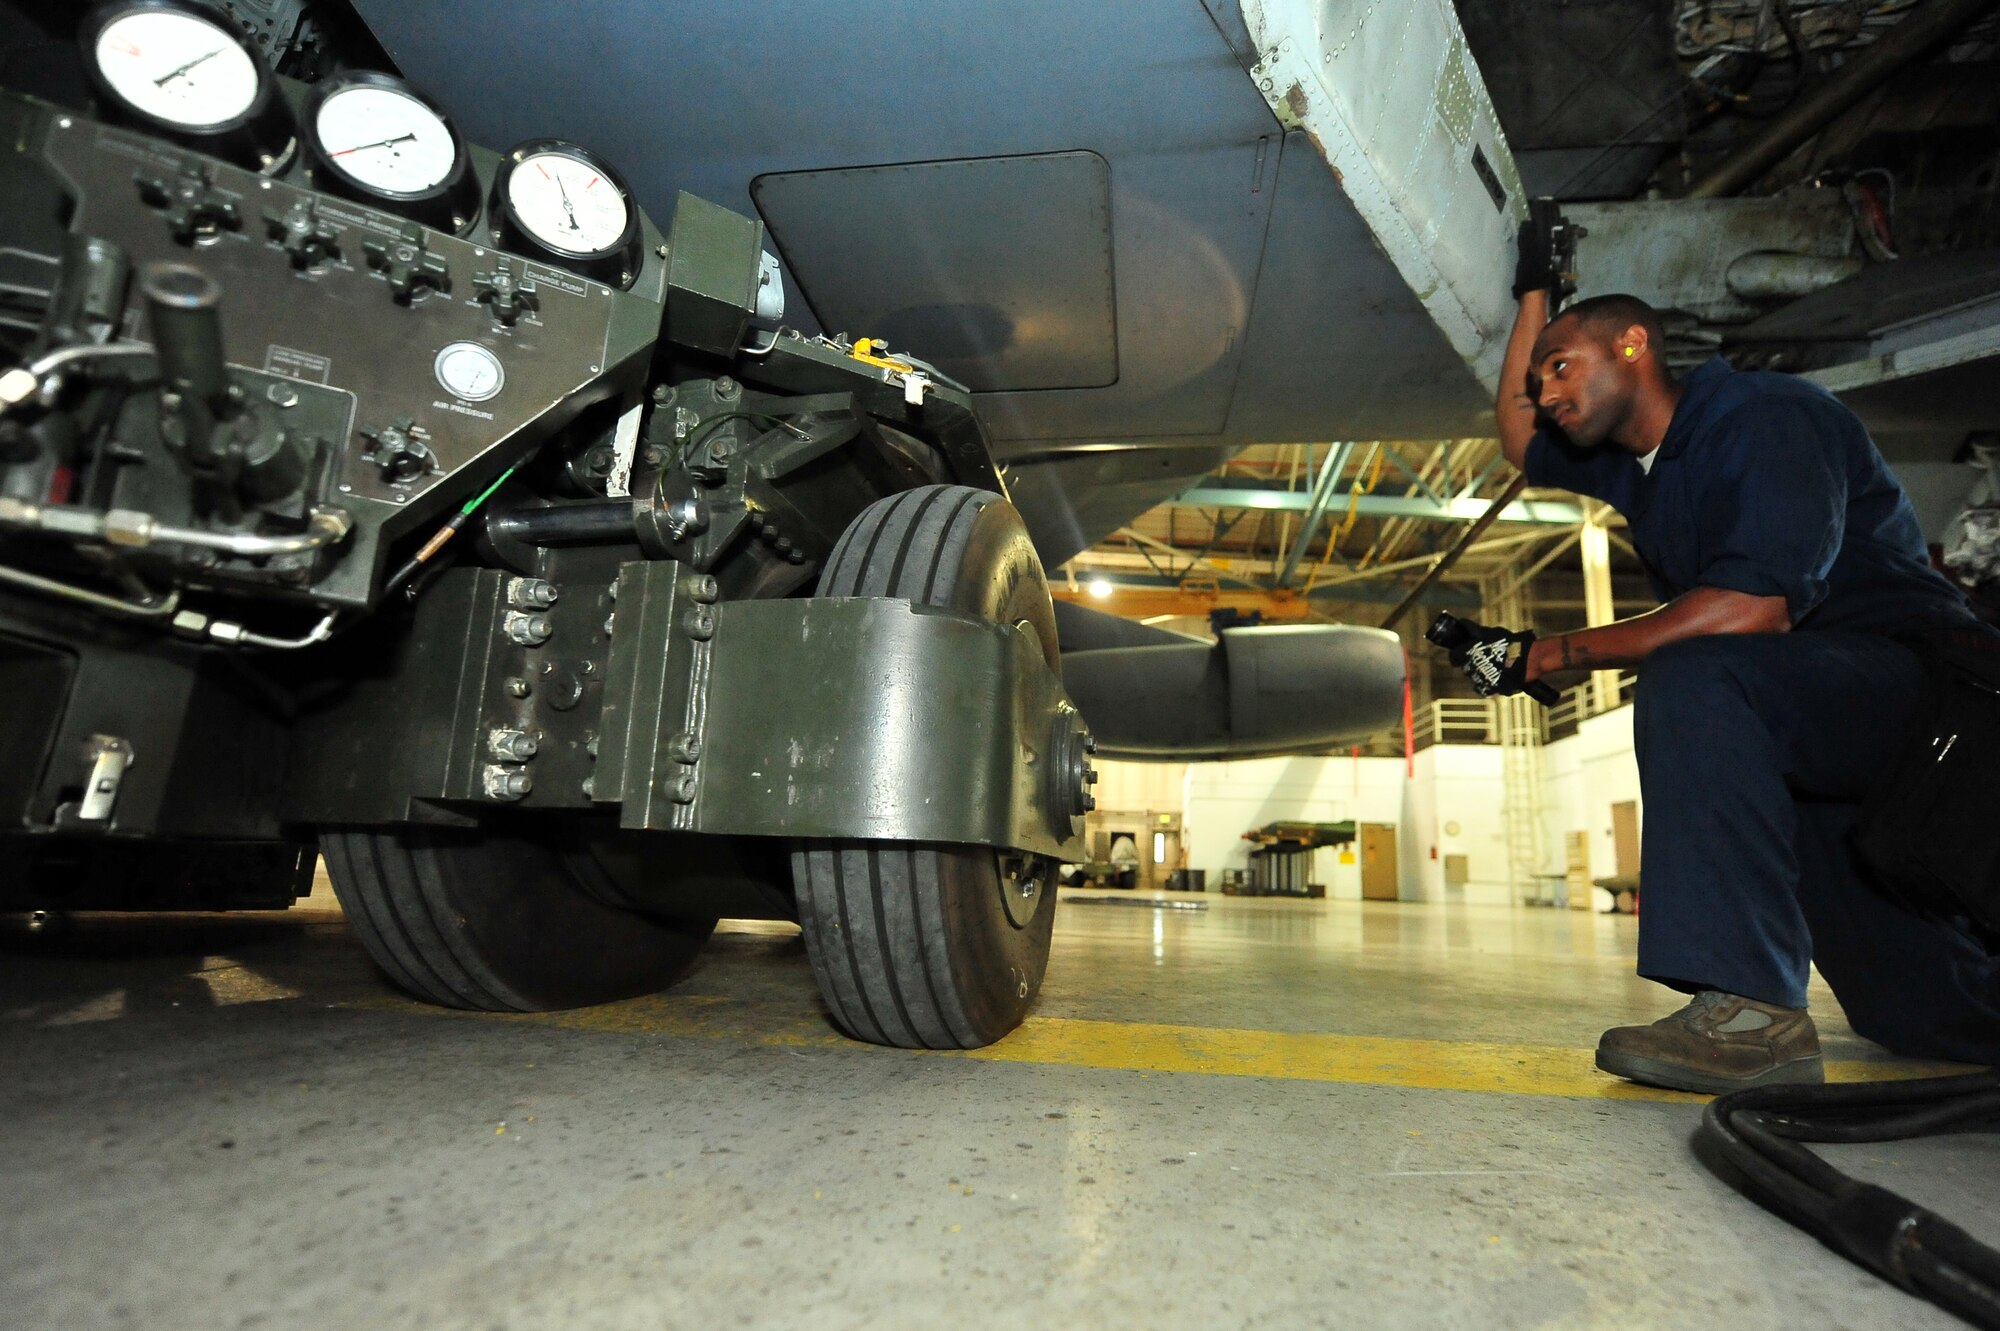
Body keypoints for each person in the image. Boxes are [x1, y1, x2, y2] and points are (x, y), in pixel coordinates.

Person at [1443, 238, 2000, 1094]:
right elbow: (1519, 438)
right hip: (1813, 714)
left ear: (1633, 346)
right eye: (1543, 376)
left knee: (1699, 675)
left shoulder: (1764, 414)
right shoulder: (1644, 473)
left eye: (1562, 367)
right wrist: (1533, 293)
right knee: (1919, 1011)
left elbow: (1757, 608)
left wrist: (1548, 652)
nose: (1546, 392)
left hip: (1925, 698)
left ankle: (1752, 1013)